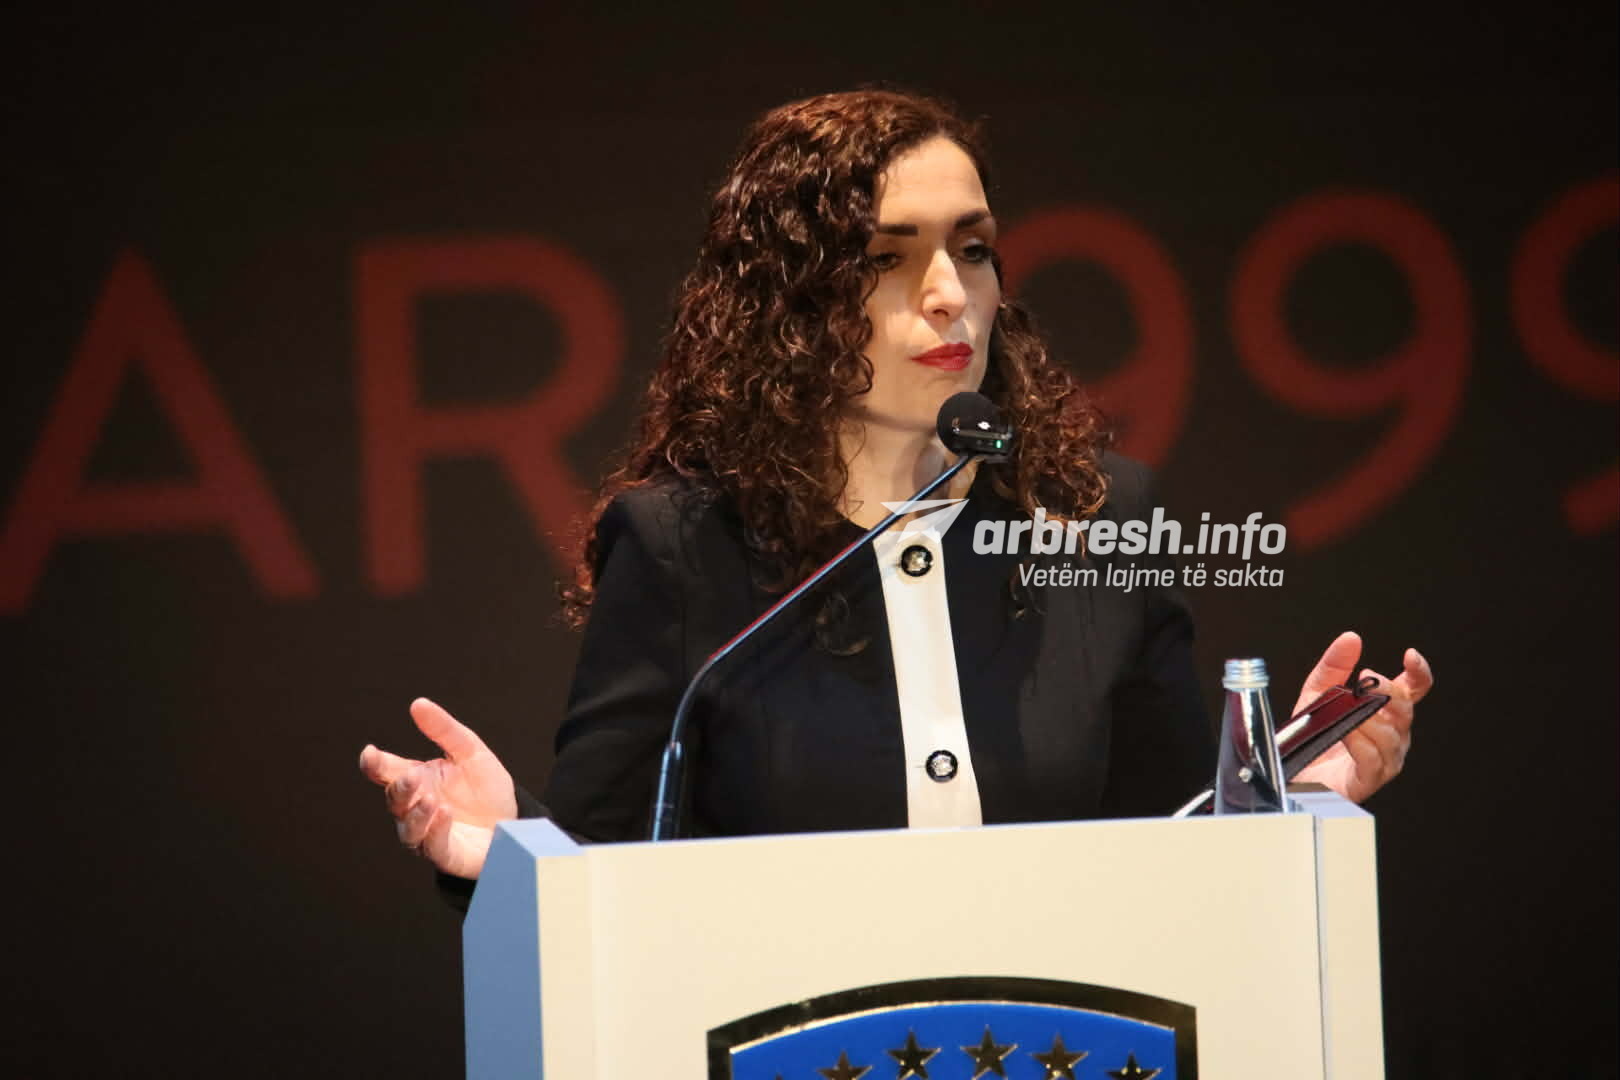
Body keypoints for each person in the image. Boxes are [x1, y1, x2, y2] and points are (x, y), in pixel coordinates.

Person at [358, 89, 1432, 885]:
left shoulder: (1095, 520)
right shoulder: (685, 545)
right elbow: (606, 881)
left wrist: (1289, 794)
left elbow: (1173, 848)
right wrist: (505, 849)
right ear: (787, 300)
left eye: (974, 249)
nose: (949, 293)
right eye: (887, 257)